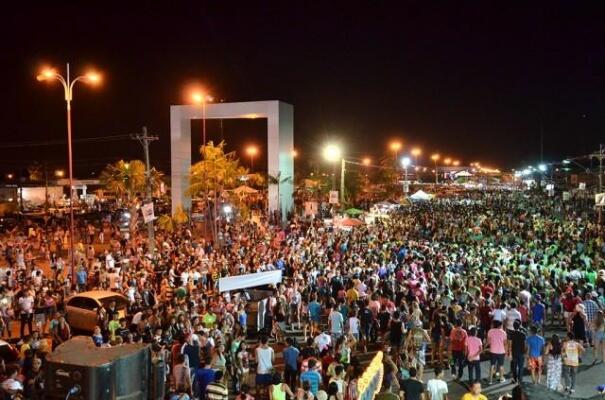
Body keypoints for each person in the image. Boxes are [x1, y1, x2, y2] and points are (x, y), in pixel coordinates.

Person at [487, 320, 506, 384]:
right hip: (501, 351)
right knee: (501, 365)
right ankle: (501, 379)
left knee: (492, 365)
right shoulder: (503, 332)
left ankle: (490, 380)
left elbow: (489, 342)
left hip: (493, 350)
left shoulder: (490, 331)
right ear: (500, 325)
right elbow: (505, 343)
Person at [508, 320, 527, 384]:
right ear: (519, 326)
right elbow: (525, 345)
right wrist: (525, 352)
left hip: (514, 352)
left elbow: (510, 344)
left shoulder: (511, 334)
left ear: (513, 326)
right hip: (521, 352)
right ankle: (520, 380)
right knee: (521, 367)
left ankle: (515, 379)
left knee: (514, 366)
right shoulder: (523, 334)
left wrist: (509, 353)